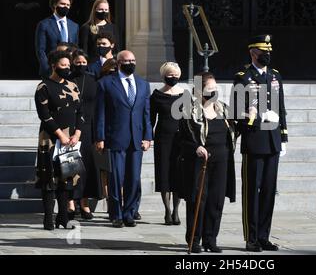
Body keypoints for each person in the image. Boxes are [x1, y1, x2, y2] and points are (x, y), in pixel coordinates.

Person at [232, 35, 288, 252]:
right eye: (263, 51)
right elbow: (236, 111)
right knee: (251, 191)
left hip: (272, 140)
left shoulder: (275, 76)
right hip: (254, 139)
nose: (268, 55)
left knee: (268, 191)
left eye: (269, 51)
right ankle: (252, 237)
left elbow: (281, 107)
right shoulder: (242, 77)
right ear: (253, 53)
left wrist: (283, 137)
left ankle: (264, 236)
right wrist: (256, 117)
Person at [179, 72, 237, 254]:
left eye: (215, 88)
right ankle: (194, 240)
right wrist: (195, 147)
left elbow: (234, 132)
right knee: (198, 201)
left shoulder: (224, 110)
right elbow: (181, 139)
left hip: (222, 161)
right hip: (200, 163)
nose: (213, 91)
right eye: (209, 88)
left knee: (216, 201)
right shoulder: (189, 110)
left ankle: (210, 239)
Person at [95, 50, 152, 228]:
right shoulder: (106, 83)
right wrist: (100, 137)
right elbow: (100, 113)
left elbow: (146, 114)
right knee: (116, 178)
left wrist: (148, 136)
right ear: (118, 62)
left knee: (133, 178)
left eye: (133, 60)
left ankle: (129, 213)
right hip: (115, 137)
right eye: (127, 60)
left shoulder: (143, 84)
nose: (131, 63)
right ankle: (116, 214)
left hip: (136, 139)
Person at [34, 50, 84, 230]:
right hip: (50, 139)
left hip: (71, 140)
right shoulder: (44, 87)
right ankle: (48, 218)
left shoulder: (73, 85)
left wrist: (77, 134)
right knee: (49, 179)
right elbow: (44, 115)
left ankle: (63, 217)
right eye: (63, 65)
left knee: (67, 178)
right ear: (54, 65)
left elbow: (80, 112)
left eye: (68, 66)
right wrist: (60, 135)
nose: (66, 69)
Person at [150, 62, 184, 226]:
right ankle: (167, 211)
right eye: (170, 75)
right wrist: (147, 137)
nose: (173, 78)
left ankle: (177, 211)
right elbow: (150, 119)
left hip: (181, 140)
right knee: (163, 174)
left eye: (176, 75)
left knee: (178, 174)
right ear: (164, 76)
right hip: (163, 139)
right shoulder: (156, 95)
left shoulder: (184, 94)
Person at [70, 50, 102, 220]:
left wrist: (99, 135)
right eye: (77, 62)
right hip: (71, 128)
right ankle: (70, 202)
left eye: (83, 62)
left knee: (87, 167)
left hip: (88, 128)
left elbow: (97, 108)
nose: (81, 65)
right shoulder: (67, 80)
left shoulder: (92, 81)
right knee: (71, 166)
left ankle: (84, 203)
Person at [2, 0, 45, 79]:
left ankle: (32, 70)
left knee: (34, 42)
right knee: (16, 42)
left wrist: (35, 4)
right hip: (14, 15)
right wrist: (15, 4)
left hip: (34, 14)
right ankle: (16, 70)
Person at [35, 0, 79, 78]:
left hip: (69, 70)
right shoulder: (44, 24)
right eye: (62, 4)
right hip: (50, 71)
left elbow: (75, 48)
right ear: (55, 5)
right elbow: (40, 50)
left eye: (68, 5)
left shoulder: (74, 26)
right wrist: (48, 68)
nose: (65, 6)